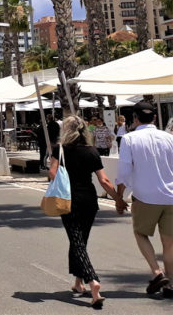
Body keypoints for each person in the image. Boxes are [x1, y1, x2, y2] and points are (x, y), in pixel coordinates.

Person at [50, 116, 120, 309]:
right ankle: (78, 283)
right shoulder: (92, 151)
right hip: (89, 201)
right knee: (80, 241)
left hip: (68, 200)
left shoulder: (60, 150)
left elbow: (53, 173)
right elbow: (104, 181)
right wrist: (119, 200)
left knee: (77, 241)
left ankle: (93, 281)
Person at [114, 102, 173, 297]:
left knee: (140, 233)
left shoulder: (129, 139)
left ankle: (157, 273)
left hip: (145, 196)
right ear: (154, 118)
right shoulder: (169, 138)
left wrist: (120, 197)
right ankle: (170, 284)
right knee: (170, 243)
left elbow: (123, 172)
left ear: (134, 119)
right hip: (171, 197)